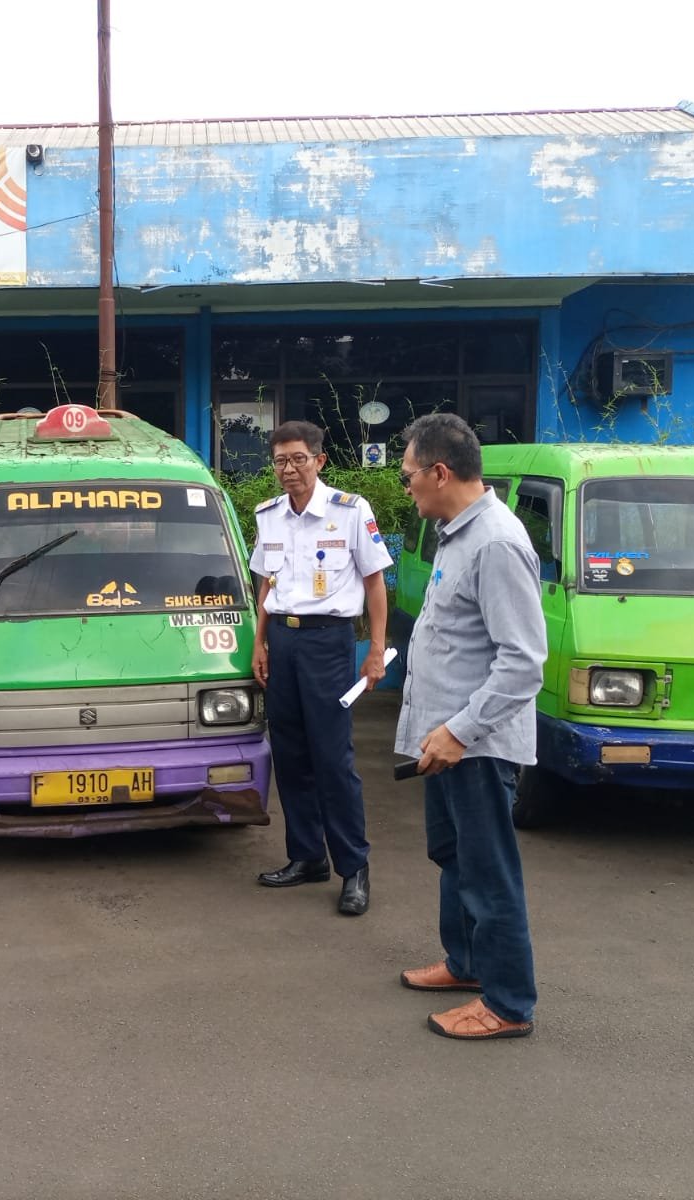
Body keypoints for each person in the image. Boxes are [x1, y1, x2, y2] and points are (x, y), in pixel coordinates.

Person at [394, 412, 547, 1040]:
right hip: (444, 743)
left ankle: (509, 1003)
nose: (406, 488)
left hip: (473, 748)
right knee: (455, 857)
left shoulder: (497, 543)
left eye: (408, 476)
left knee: (489, 873)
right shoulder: (457, 534)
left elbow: (523, 661)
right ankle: (466, 965)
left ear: (440, 471)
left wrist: (459, 731)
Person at [250, 420, 392, 916]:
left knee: (333, 759)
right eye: (280, 461)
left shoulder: (350, 512)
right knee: (289, 755)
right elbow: (266, 585)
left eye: (298, 459)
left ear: (319, 460)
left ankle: (354, 868)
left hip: (328, 642)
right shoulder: (268, 515)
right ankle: (306, 856)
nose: (289, 470)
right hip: (282, 641)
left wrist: (375, 649)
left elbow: (374, 584)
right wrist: (259, 643)